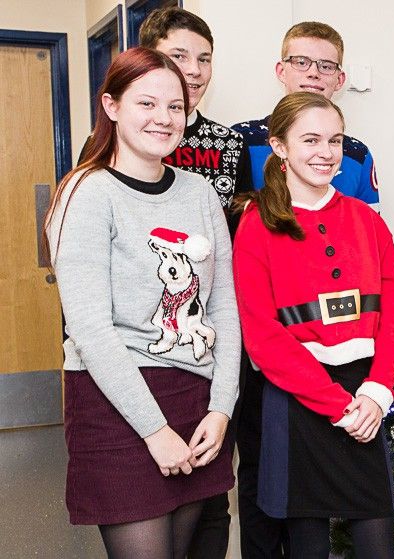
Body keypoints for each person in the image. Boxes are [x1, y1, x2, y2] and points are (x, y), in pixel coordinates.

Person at [44, 47, 239, 558]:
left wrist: (221, 408)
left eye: (175, 107)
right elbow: (90, 329)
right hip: (117, 402)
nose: (163, 119)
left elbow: (223, 308)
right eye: (146, 103)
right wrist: (154, 431)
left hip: (195, 399)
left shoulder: (198, 192)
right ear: (111, 106)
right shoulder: (87, 194)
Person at [232, 92, 394, 559]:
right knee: (307, 546)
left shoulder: (368, 221)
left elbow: (391, 320)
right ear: (279, 147)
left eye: (335, 140)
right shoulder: (256, 225)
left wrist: (375, 393)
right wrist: (337, 406)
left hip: (364, 394)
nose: (326, 153)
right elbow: (263, 337)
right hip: (297, 400)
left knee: (376, 543)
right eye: (311, 140)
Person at [136, 8, 251, 556]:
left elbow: (241, 236)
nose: (196, 70)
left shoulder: (227, 145)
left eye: (205, 58)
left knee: (210, 495)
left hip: (211, 331)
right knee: (153, 496)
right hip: (148, 340)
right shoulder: (127, 142)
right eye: (181, 56)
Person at [231, 21, 379, 210]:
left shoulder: (358, 155)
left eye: (326, 66)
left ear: (339, 80)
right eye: (301, 62)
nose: (313, 73)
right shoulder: (240, 140)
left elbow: (369, 231)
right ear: (281, 71)